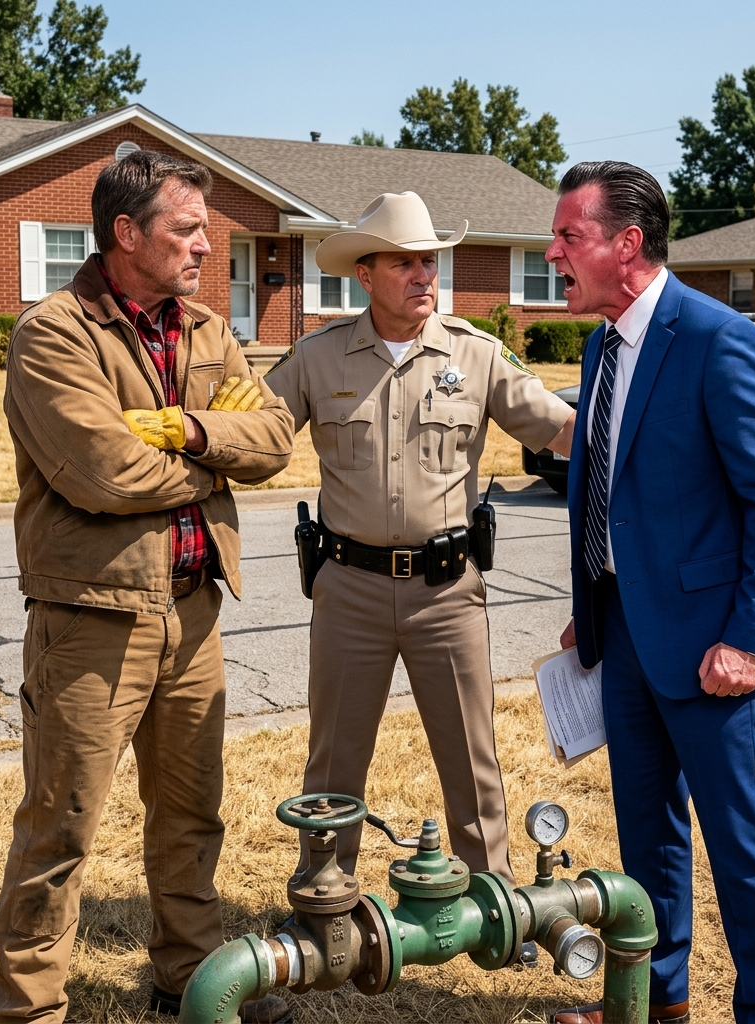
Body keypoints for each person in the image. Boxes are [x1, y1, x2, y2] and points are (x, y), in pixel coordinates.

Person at [0, 151, 294, 1024]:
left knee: (192, 819)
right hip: (90, 622)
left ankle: (190, 980)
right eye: (187, 229)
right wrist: (215, 460)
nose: (207, 246)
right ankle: (30, 1009)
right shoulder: (53, 333)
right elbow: (103, 473)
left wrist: (190, 430)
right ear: (127, 234)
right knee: (61, 828)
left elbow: (273, 437)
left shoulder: (205, 326)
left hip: (196, 613)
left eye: (206, 229)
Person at [545, 162, 755, 1024]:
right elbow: (615, 491)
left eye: (568, 237)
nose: (553, 255)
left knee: (741, 846)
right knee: (646, 838)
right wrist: (594, 604)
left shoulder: (716, 337)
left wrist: (750, 639)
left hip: (711, 648)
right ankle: (658, 1002)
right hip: (623, 634)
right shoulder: (602, 344)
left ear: (627, 245)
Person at [266, 191, 573, 896]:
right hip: (349, 589)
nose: (423, 275)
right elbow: (252, 433)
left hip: (447, 592)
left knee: (471, 757)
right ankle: (324, 895)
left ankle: (494, 901)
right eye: (404, 262)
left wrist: (640, 443)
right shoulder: (317, 360)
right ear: (365, 275)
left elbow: (559, 429)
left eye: (429, 261)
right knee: (335, 758)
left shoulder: (476, 355)